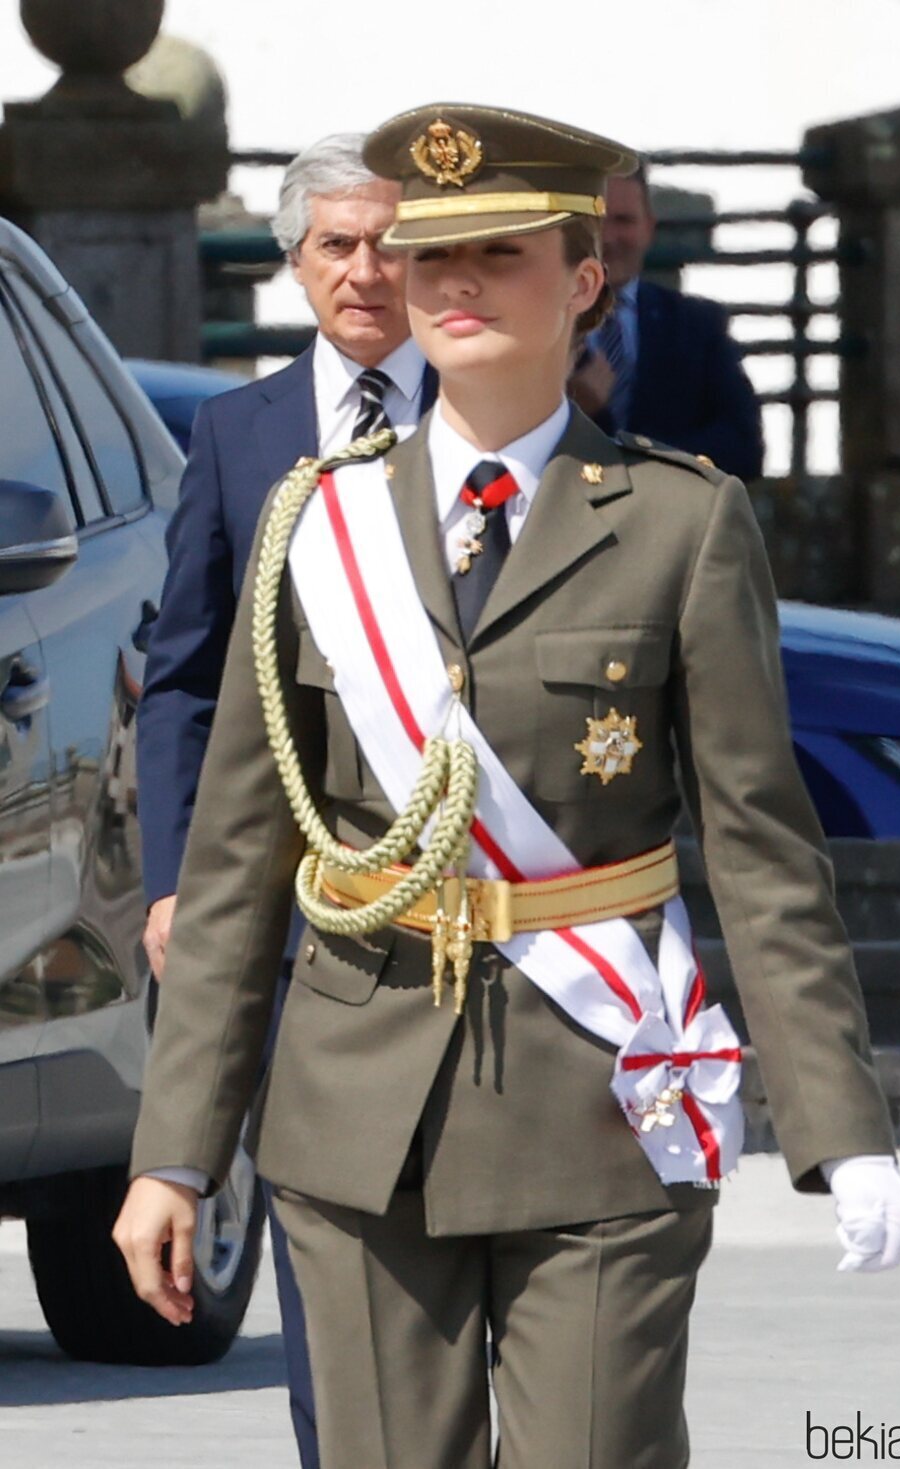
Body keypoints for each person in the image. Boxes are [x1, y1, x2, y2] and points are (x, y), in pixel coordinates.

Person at [115, 104, 900, 1469]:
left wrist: (845, 1135)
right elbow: (243, 861)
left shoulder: (680, 520)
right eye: (432, 260)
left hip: (601, 1107)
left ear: (586, 278)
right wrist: (173, 1151)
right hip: (356, 1113)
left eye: (498, 253)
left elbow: (762, 853)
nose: (455, 288)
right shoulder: (317, 523)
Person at [134, 131, 436, 1469]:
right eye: (338, 245)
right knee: (326, 1223)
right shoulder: (237, 432)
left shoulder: (496, 415)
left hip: (476, 879)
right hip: (300, 895)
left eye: (394, 243)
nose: (367, 272)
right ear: (292, 263)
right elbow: (187, 677)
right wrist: (172, 881)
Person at [569, 166, 765, 482]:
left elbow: (743, 447)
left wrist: (639, 466)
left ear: (649, 229)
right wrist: (570, 407)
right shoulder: (540, 321)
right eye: (597, 222)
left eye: (624, 221)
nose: (608, 238)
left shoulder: (697, 325)